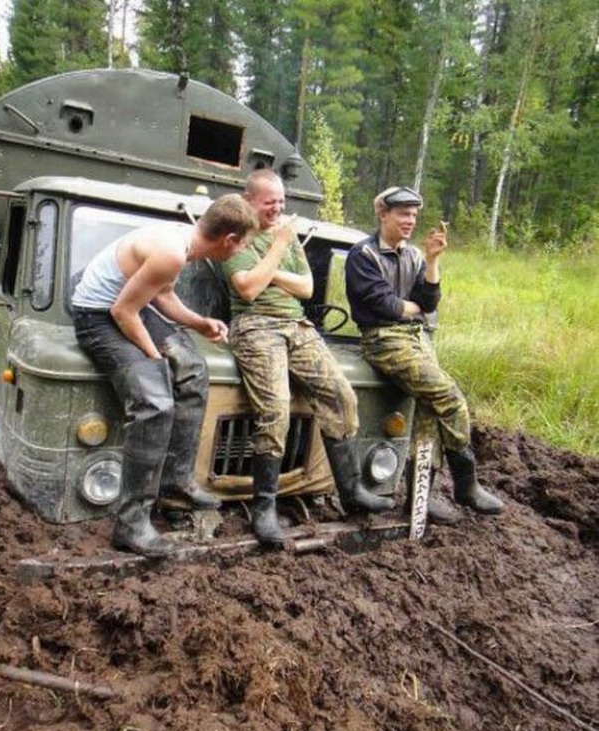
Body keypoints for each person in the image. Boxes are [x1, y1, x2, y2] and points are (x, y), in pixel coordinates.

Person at [72, 194, 258, 557]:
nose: (242, 251)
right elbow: (123, 311)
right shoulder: (171, 251)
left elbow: (163, 297)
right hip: (96, 318)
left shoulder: (182, 242)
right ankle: (131, 524)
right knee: (155, 402)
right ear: (229, 240)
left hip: (128, 308)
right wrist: (155, 358)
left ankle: (176, 480)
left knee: (191, 369)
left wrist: (200, 323)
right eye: (245, 244)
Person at [220, 169, 393, 545]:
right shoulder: (234, 235)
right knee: (275, 409)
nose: (278, 209)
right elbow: (247, 288)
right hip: (255, 327)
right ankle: (264, 507)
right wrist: (280, 249)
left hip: (297, 327)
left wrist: (272, 269)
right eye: (270, 203)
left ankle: (350, 490)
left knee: (341, 394)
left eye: (282, 202)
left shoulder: (285, 234)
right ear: (249, 200)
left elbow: (307, 287)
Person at [344, 186, 504, 523]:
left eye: (414, 215)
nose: (410, 221)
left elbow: (429, 303)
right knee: (450, 397)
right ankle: (466, 482)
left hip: (415, 338)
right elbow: (384, 306)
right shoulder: (363, 255)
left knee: (429, 414)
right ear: (383, 213)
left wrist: (432, 260)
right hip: (382, 340)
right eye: (403, 213)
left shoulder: (414, 255)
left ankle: (420, 499)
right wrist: (411, 308)